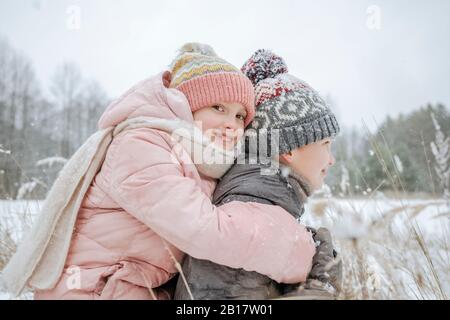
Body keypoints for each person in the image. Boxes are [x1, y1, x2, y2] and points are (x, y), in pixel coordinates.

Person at [1, 44, 315, 300]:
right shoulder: (141, 145)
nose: (230, 124)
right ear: (187, 106)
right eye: (217, 108)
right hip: (92, 290)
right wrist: (298, 252)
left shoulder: (203, 162)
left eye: (239, 115)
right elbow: (204, 230)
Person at [174, 49, 342, 300]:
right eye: (326, 143)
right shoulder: (250, 213)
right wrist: (320, 287)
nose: (332, 159)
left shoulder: (264, 207)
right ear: (289, 149)